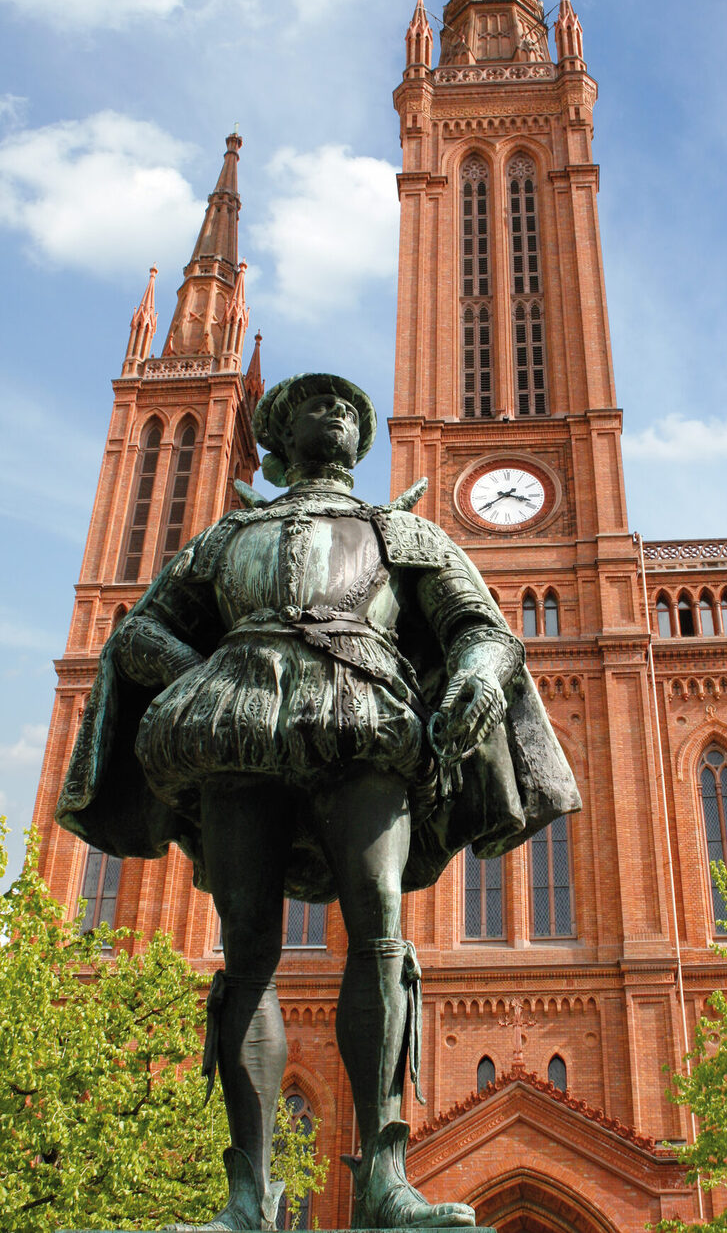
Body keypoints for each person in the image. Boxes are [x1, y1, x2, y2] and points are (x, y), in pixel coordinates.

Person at [57, 372, 580, 1231]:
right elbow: (142, 628)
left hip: (364, 724)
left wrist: (480, 678)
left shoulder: (399, 529)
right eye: (315, 405)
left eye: (346, 408)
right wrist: (208, 677)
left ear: (360, 441)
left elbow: (479, 628)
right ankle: (246, 1196)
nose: (333, 413)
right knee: (248, 950)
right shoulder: (230, 534)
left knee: (379, 929)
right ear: (279, 437)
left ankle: (383, 1179)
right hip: (237, 734)